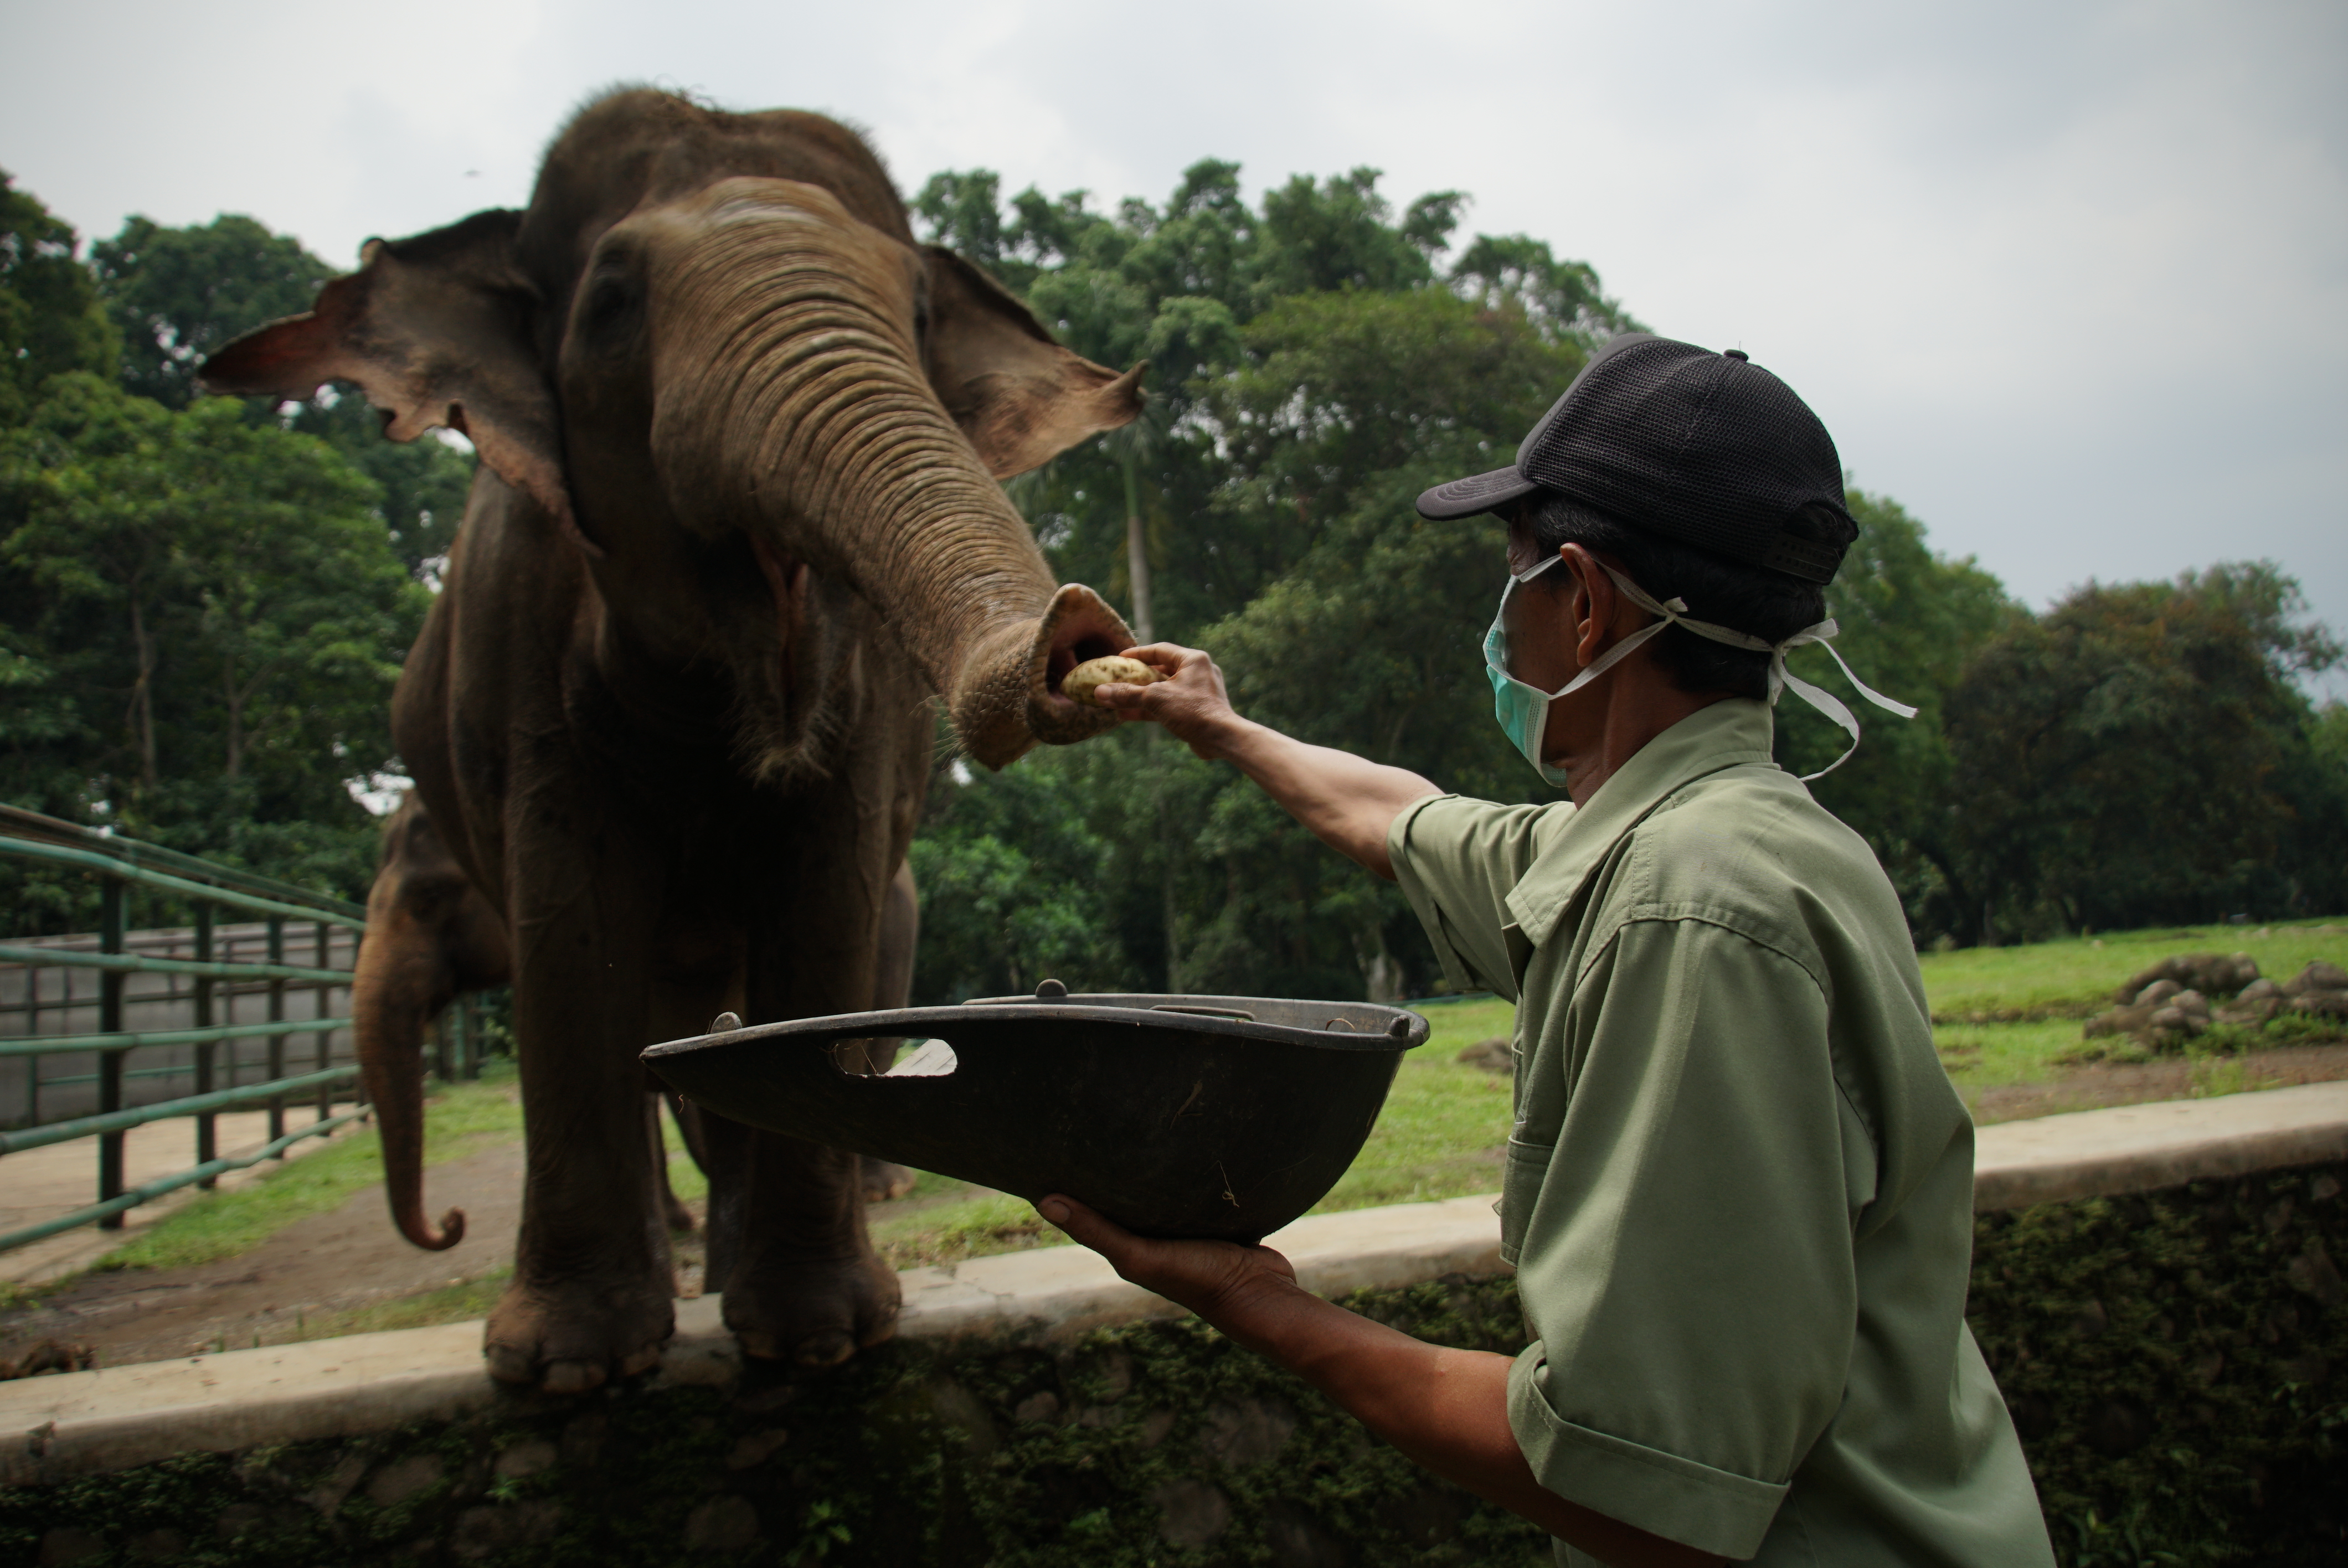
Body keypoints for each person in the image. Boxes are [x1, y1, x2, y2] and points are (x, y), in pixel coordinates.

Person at [1040, 334, 2056, 1567]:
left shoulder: (1685, 911)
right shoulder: (1713, 842)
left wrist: (1257, 1306)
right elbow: (1398, 820)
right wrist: (1218, 723)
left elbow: (1645, 1492)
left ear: (1582, 603)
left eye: (1511, 574)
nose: (1500, 618)